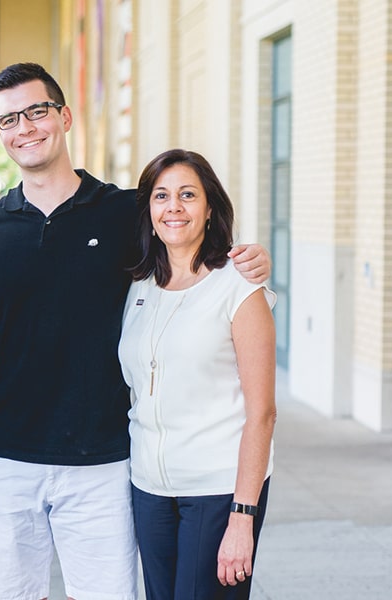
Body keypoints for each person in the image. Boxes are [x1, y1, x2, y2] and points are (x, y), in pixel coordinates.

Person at [0, 62, 271, 600]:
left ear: (65, 117)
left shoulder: (125, 212)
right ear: (0, 132)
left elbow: (188, 253)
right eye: (9, 119)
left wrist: (247, 259)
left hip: (103, 458)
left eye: (37, 111)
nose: (25, 127)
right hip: (4, 453)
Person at [118, 149, 276, 599]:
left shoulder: (239, 286)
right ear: (148, 211)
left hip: (218, 489)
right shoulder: (137, 285)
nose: (174, 207)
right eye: (161, 196)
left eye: (188, 195)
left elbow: (262, 413)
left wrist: (242, 516)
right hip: (149, 488)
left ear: (210, 209)